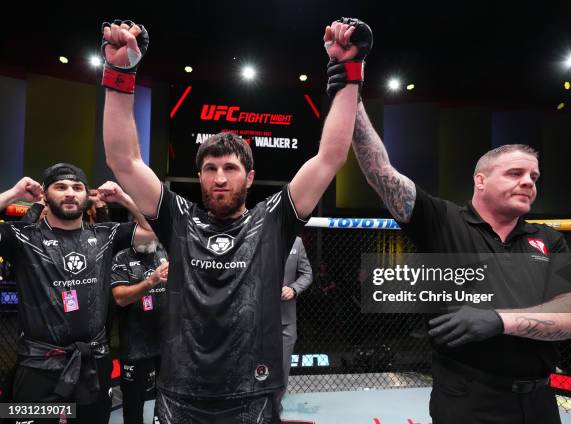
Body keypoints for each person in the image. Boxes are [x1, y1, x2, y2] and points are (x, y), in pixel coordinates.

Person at [100, 17, 369, 424]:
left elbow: (330, 157)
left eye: (230, 168)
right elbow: (124, 160)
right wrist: (120, 72)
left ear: (250, 176)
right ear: (200, 175)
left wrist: (349, 70)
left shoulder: (273, 221)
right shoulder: (179, 220)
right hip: (179, 395)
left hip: (252, 395)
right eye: (210, 168)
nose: (220, 177)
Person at [335, 72, 571, 423]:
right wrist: (350, 85)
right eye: (515, 173)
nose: (528, 183)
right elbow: (379, 170)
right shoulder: (444, 220)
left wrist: (498, 320)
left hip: (538, 401)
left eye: (534, 177)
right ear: (480, 180)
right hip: (469, 399)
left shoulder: (548, 238)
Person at [0, 166, 154, 424]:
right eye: (60, 187)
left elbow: (152, 232)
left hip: (94, 363)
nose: (70, 193)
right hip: (41, 367)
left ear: (87, 196)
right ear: (45, 197)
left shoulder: (105, 234)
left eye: (77, 187)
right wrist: (15, 194)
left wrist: (124, 199)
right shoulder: (23, 237)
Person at [111, 242, 168, 424]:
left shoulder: (165, 253)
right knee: (133, 406)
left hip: (166, 343)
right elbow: (120, 298)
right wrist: (152, 280)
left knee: (165, 403)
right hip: (135, 345)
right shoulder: (121, 257)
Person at [275, 236, 313, 411]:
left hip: (286, 318)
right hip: (257, 317)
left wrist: (294, 289)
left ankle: (275, 406)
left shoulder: (296, 242)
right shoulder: (255, 233)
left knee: (283, 368)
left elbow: (307, 274)